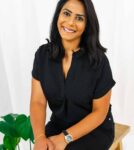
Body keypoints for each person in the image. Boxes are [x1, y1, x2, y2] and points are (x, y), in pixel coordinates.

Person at [30, 0, 116, 150]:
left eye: (79, 18)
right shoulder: (42, 55)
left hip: (95, 130)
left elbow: (99, 112)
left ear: (87, 24)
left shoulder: (99, 61)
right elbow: (38, 101)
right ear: (58, 15)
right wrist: (39, 137)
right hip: (59, 124)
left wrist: (66, 138)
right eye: (66, 13)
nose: (70, 22)